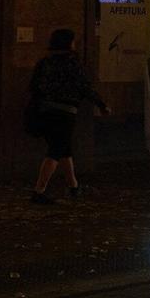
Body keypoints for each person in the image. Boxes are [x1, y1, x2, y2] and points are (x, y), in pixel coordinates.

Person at [28, 28, 107, 204]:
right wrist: (101, 104)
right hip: (65, 112)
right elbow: (85, 88)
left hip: (45, 111)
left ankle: (73, 186)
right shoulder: (72, 64)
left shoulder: (45, 63)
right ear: (68, 43)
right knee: (56, 150)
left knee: (63, 148)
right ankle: (39, 191)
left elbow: (34, 86)